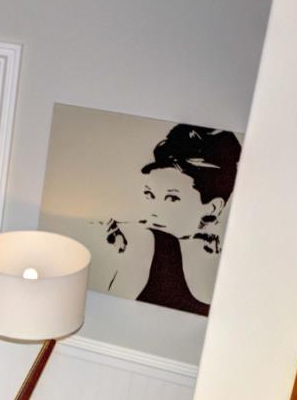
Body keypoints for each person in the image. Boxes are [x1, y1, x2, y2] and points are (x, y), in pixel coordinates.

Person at [96, 124, 241, 316]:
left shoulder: (235, 261)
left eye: (172, 198)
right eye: (150, 195)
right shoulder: (139, 242)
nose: (154, 211)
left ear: (213, 208)